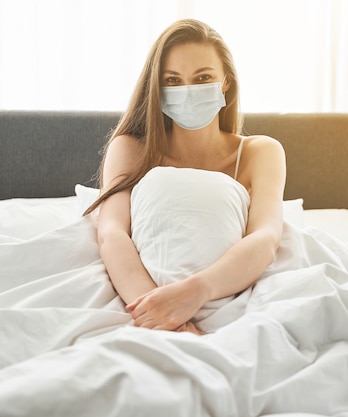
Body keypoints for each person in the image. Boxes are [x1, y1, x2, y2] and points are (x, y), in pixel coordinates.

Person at [83, 19, 286, 335]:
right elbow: (112, 233)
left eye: (203, 78)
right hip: (150, 306)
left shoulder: (261, 152)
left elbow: (266, 237)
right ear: (157, 89)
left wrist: (196, 291)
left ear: (226, 83)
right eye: (173, 81)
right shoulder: (130, 148)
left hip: (230, 296)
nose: (188, 91)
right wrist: (162, 314)